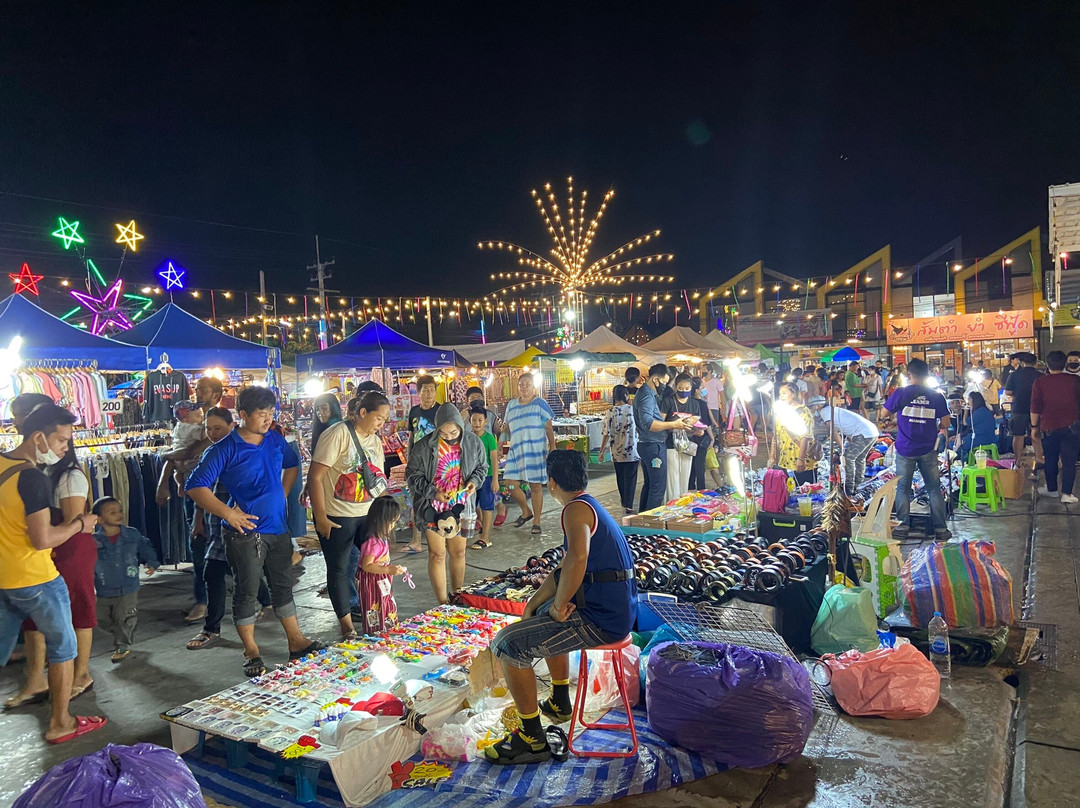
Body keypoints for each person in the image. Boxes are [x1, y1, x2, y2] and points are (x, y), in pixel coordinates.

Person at [486, 450, 635, 765]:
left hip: (603, 619)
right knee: (538, 618)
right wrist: (536, 603)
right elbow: (566, 566)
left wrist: (558, 606)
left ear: (551, 482)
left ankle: (532, 738)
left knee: (508, 645)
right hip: (613, 611)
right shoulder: (587, 506)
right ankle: (559, 700)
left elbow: (578, 559)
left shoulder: (574, 511)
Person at [186, 386, 323, 677]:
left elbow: (291, 465)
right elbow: (195, 487)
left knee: (283, 586)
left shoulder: (274, 439)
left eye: (271, 413)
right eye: (262, 414)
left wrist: (282, 496)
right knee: (247, 592)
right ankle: (251, 650)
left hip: (277, 529)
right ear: (243, 415)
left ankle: (296, 640)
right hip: (245, 534)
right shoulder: (224, 449)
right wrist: (229, 513)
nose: (267, 419)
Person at [0, 402, 107, 743]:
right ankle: (61, 722)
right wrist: (80, 523)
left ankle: (39, 690)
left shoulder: (2, 463)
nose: (65, 448)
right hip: (37, 576)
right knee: (63, 647)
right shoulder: (32, 478)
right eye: (61, 441)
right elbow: (43, 538)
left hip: (5, 576)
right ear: (38, 437)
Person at [5, 429, 96, 707]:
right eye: (61, 439)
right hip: (43, 554)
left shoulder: (69, 476)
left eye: (65, 441)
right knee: (36, 621)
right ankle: (37, 682)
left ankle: (80, 675)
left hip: (69, 550)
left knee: (77, 612)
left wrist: (50, 529)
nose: (63, 446)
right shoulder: (33, 472)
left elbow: (73, 521)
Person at [186, 408, 271, 650]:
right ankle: (212, 627)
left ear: (232, 425)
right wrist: (198, 518)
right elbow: (200, 490)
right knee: (219, 572)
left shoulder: (243, 450)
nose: (212, 433)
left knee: (239, 571)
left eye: (218, 428)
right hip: (218, 524)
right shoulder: (212, 452)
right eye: (208, 429)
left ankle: (260, 604)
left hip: (241, 524)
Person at [307, 391, 389, 640]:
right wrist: (320, 516)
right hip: (337, 516)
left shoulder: (374, 439)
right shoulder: (337, 434)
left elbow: (379, 478)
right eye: (378, 419)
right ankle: (347, 627)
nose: (381, 425)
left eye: (384, 420)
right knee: (339, 569)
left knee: (373, 565)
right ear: (362, 413)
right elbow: (315, 477)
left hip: (367, 514)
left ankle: (376, 615)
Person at [407, 403, 487, 603]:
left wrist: (473, 483)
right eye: (443, 433)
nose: (450, 436)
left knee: (458, 551)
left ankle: (457, 595)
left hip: (462, 504)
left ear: (461, 425)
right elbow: (412, 476)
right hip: (433, 506)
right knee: (437, 554)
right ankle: (443, 602)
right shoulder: (423, 446)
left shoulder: (473, 442)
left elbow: (482, 468)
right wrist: (433, 492)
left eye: (453, 432)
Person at [881, 359, 951, 541]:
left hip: (905, 449)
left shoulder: (901, 393)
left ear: (908, 374)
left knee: (903, 488)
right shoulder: (936, 396)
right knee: (934, 489)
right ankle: (941, 529)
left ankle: (902, 527)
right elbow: (945, 423)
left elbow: (883, 414)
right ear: (927, 374)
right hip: (928, 448)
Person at [90, 497, 159, 663]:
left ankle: (123, 643)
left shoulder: (132, 534)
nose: (119, 514)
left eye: (120, 510)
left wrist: (151, 562)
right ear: (99, 519)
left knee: (124, 616)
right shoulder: (94, 541)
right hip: (104, 586)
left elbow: (145, 547)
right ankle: (120, 630)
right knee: (100, 618)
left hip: (128, 586)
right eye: (112, 512)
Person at [500, 374, 556, 536]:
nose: (524, 387)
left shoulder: (540, 404)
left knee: (535, 486)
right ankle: (526, 510)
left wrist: (552, 447)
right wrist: (499, 447)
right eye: (521, 384)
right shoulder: (511, 405)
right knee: (510, 484)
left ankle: (536, 521)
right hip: (516, 452)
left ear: (533, 387)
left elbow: (548, 428)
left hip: (535, 452)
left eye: (527, 384)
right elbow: (506, 429)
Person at [633, 363, 692, 511]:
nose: (665, 386)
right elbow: (648, 423)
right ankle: (651, 524)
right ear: (655, 380)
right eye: (664, 383)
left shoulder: (648, 394)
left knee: (650, 485)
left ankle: (643, 521)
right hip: (653, 446)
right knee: (658, 488)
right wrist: (673, 425)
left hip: (650, 444)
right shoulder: (646, 396)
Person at [1030, 350, 1080, 504]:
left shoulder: (1040, 382)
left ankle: (1051, 489)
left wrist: (1033, 427)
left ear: (1048, 365)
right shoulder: (1075, 381)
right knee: (1069, 460)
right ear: (1065, 363)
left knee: (1050, 458)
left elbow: (1035, 407)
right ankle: (1067, 493)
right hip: (1072, 427)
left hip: (1049, 427)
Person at [810, 389, 880, 495]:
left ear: (818, 406)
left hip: (863, 433)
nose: (812, 409)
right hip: (871, 431)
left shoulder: (825, 411)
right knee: (859, 459)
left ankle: (849, 489)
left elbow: (833, 431)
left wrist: (842, 447)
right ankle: (858, 484)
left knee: (848, 458)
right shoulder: (832, 409)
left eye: (812, 407)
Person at [402, 375, 441, 552]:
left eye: (432, 390)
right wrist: (409, 462)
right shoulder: (414, 411)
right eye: (425, 390)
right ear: (418, 392)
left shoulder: (442, 411)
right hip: (417, 463)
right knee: (417, 500)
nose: (429, 394)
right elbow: (411, 436)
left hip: (436, 462)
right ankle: (416, 541)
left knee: (437, 499)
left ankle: (440, 537)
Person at [356, 496, 406, 634]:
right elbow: (367, 565)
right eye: (392, 522)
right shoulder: (372, 541)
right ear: (380, 520)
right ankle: (376, 634)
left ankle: (388, 630)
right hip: (372, 581)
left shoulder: (381, 538)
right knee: (375, 607)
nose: (393, 526)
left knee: (387, 605)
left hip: (381, 579)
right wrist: (389, 569)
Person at [598, 385, 639, 513]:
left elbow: (606, 432)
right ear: (626, 395)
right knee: (631, 477)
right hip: (633, 450)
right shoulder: (633, 410)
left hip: (616, 451)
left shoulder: (610, 411)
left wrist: (601, 450)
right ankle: (629, 504)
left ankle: (624, 500)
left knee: (620, 477)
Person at [468, 404, 501, 550]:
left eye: (480, 420)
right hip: (470, 478)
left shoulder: (489, 438)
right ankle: (476, 526)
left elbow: (493, 459)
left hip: (486, 477)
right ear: (469, 421)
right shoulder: (466, 438)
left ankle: (485, 537)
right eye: (474, 420)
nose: (477, 423)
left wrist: (495, 479)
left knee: (487, 506)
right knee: (471, 505)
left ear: (486, 422)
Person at [1004, 352, 1043, 473]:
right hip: (1037, 409)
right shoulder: (1040, 375)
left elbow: (1008, 392)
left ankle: (1018, 460)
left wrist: (1018, 392)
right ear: (1035, 363)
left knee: (1018, 435)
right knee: (1036, 434)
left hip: (1019, 408)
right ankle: (1039, 458)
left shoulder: (1014, 375)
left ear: (1022, 363)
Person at [770, 382, 815, 484]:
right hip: (784, 461)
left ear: (793, 394)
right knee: (787, 493)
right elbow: (775, 436)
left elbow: (806, 437)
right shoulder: (780, 413)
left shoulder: (803, 411)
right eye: (780, 394)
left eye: (784, 393)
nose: (781, 396)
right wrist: (772, 457)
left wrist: (801, 459)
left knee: (805, 494)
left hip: (802, 461)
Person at [959, 391, 997, 459]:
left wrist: (966, 411)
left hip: (981, 439)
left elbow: (965, 423)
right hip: (990, 437)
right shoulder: (985, 411)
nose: (968, 402)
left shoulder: (978, 413)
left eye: (969, 400)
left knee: (954, 445)